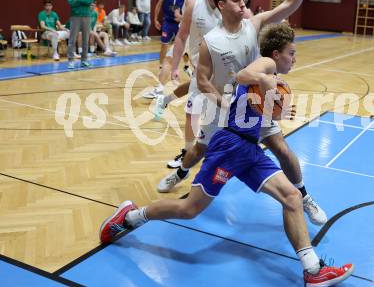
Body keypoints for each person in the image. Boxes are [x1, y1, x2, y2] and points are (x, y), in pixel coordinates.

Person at [99, 23, 354, 287]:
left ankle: (313, 271)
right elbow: (243, 75)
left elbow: (260, 107)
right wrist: (267, 80)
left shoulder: (272, 73)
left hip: (249, 148)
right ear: (276, 54)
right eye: (291, 52)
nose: (294, 58)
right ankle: (129, 217)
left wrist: (277, 109)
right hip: (230, 144)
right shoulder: (265, 64)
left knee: (291, 197)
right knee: (189, 209)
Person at [157, 0, 327, 226]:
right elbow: (201, 79)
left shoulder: (254, 24)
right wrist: (222, 101)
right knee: (200, 148)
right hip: (221, 104)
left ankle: (304, 196)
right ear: (223, 4)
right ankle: (181, 173)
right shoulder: (210, 37)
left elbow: (290, 3)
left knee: (282, 149)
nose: (244, 4)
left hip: (254, 105)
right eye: (237, 0)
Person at [153, 0, 227, 170]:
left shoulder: (229, 6)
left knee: (219, 115)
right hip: (201, 67)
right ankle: (187, 152)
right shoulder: (193, 3)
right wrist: (175, 66)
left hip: (224, 70)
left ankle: (165, 100)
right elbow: (182, 35)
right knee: (192, 111)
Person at [144, 0, 185, 98]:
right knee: (164, 45)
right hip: (167, 22)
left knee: (180, 47)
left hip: (179, 23)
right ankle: (162, 66)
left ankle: (185, 65)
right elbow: (158, 5)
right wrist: (155, 19)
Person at [66, 0, 94, 69]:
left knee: (86, 40)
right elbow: (71, 2)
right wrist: (84, 1)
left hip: (87, 16)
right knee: (72, 40)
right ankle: (70, 61)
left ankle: (84, 60)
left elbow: (90, 0)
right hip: (75, 16)